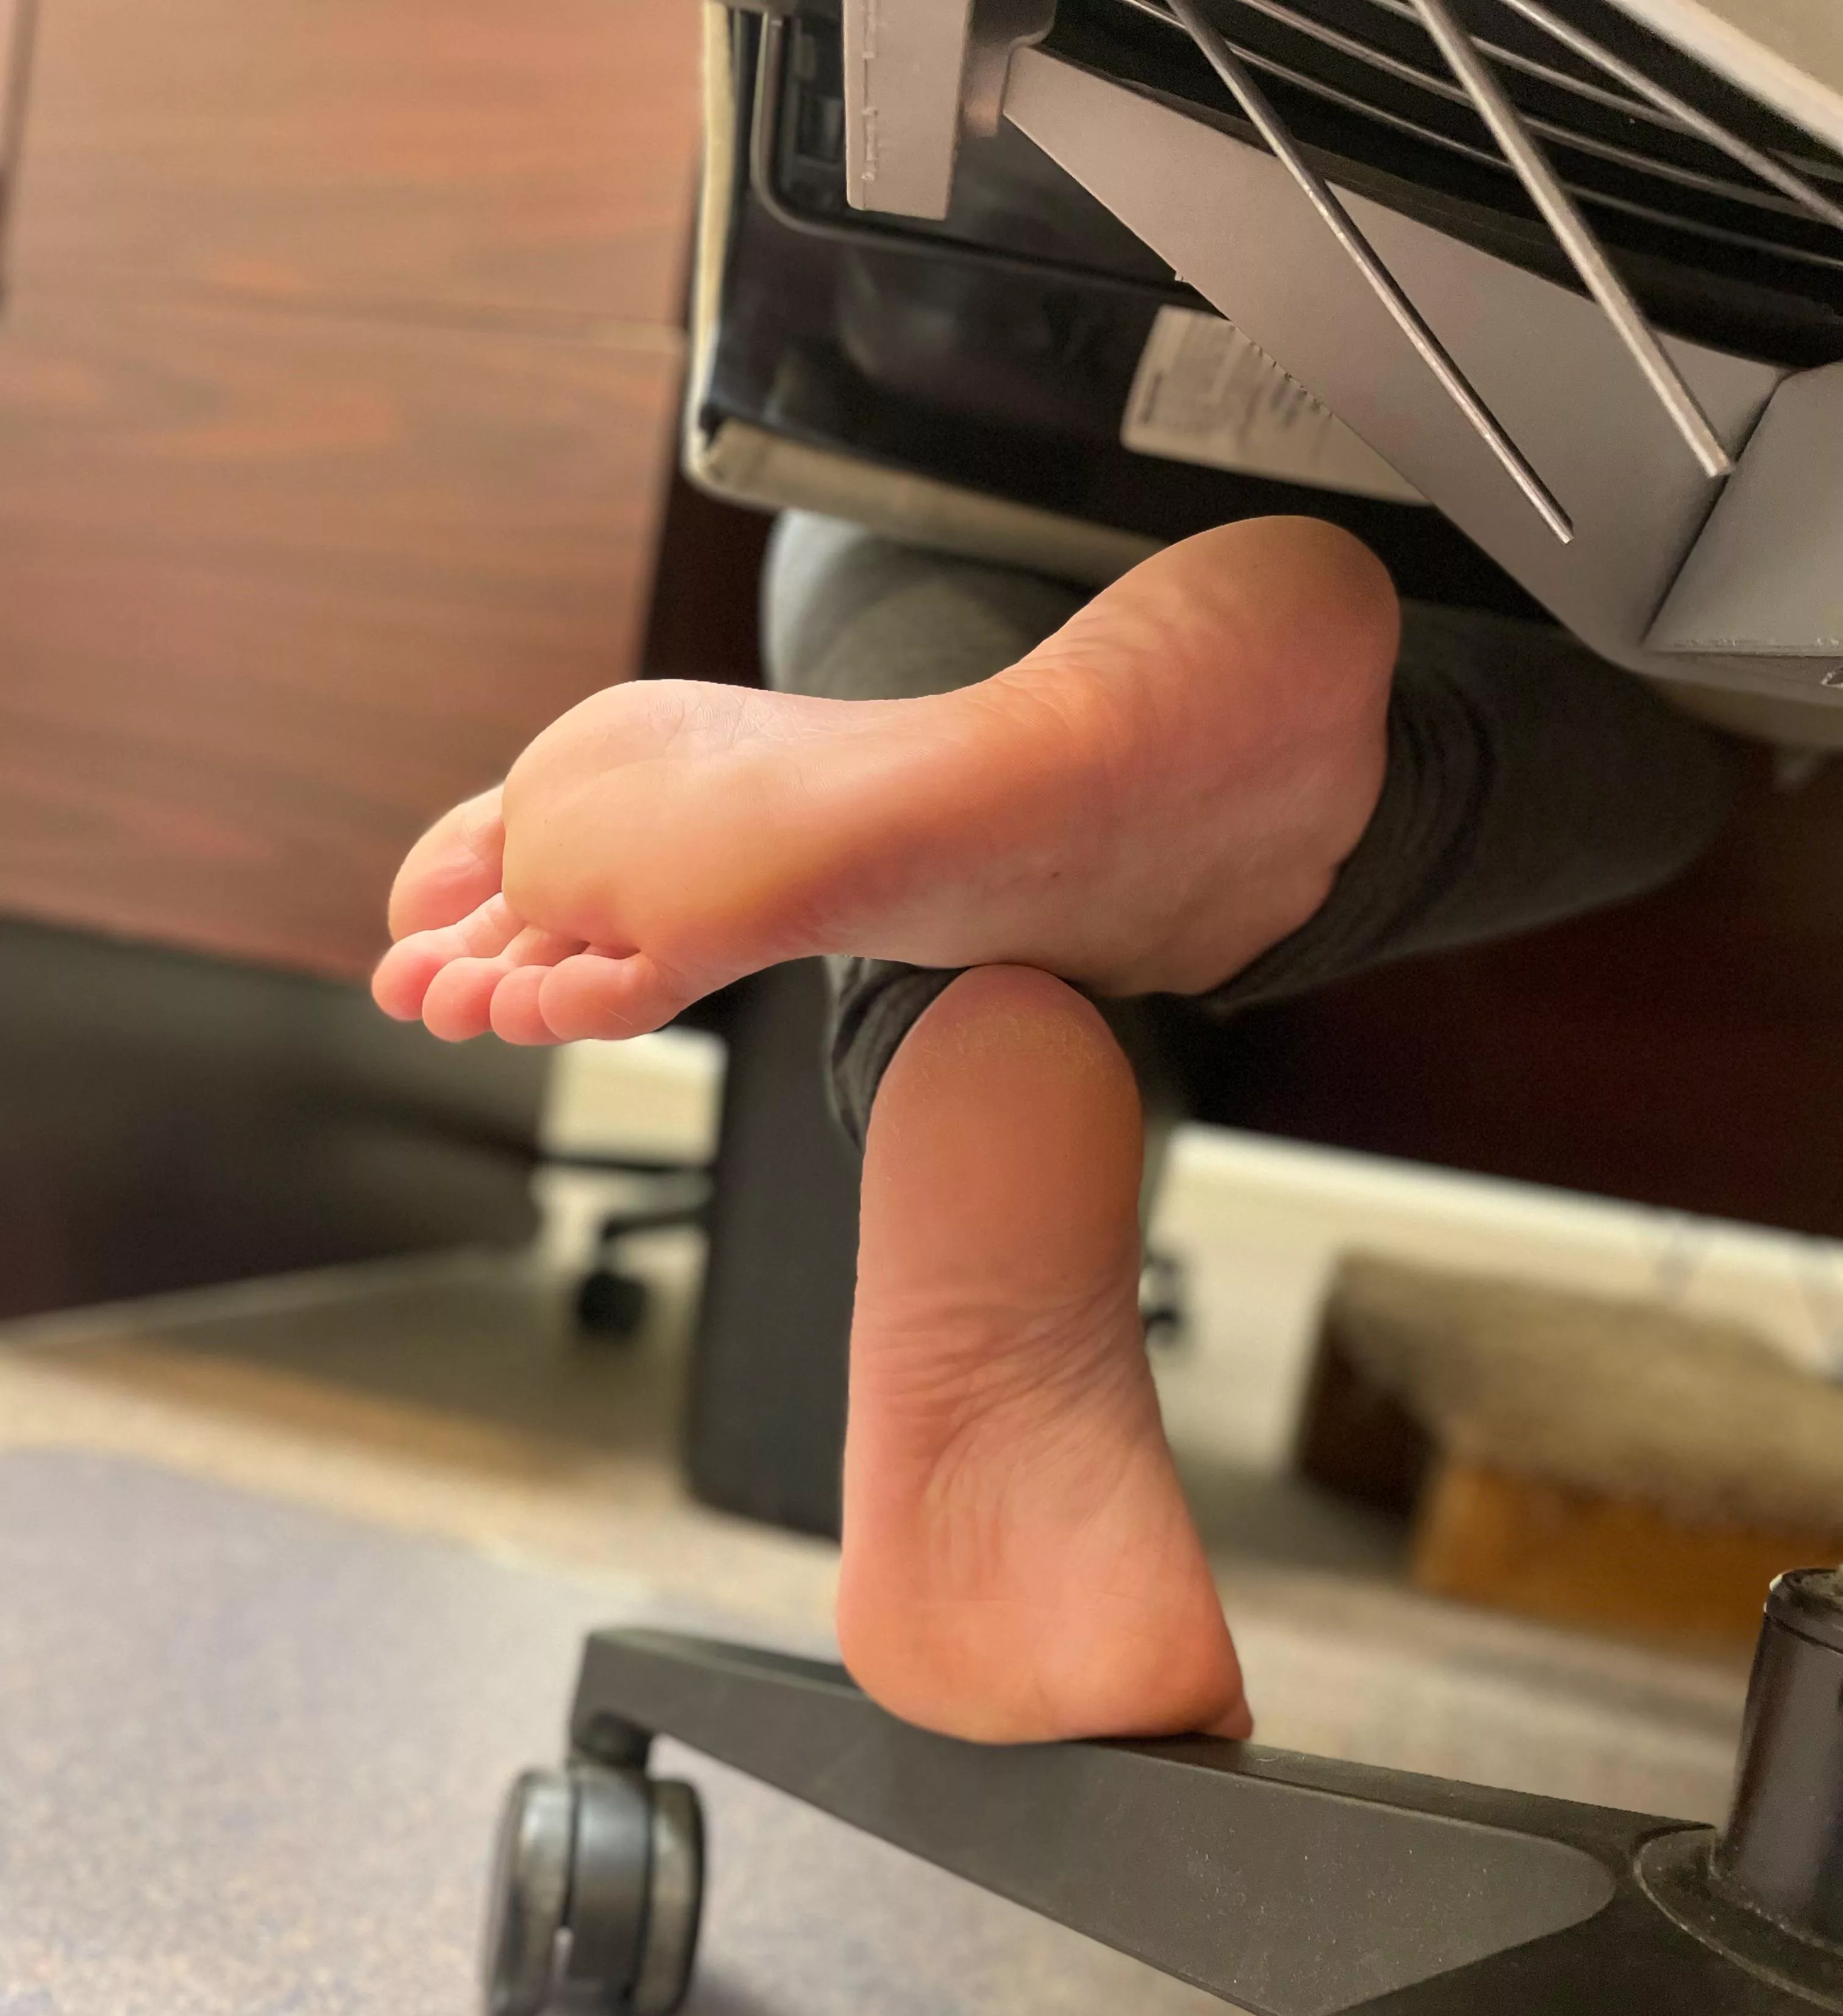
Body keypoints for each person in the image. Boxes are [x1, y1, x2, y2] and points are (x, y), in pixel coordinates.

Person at [372, 510, 1742, 1746]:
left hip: (988, 430)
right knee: (1672, 738)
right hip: (1554, 551)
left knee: (872, 519)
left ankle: (979, 950)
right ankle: (1244, 843)